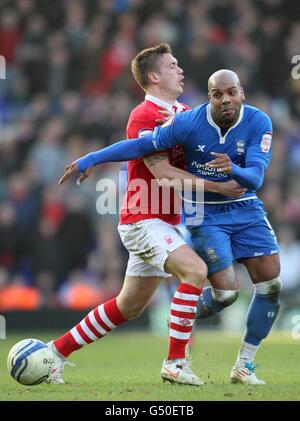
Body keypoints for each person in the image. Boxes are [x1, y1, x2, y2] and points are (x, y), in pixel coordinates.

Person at [61, 69, 281, 385]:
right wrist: (92, 158)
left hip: (246, 210)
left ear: (242, 93)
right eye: (218, 94)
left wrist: (233, 169)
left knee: (270, 287)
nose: (226, 100)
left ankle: (244, 365)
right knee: (225, 294)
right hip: (205, 214)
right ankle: (180, 328)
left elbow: (256, 178)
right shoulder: (187, 121)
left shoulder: (259, 121)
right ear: (210, 97)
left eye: (231, 92)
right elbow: (140, 146)